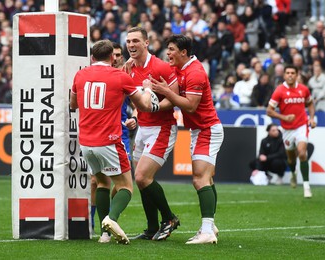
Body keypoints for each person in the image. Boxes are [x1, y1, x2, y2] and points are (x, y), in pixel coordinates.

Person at [70, 39, 154, 244]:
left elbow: (72, 104)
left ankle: (104, 235)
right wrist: (148, 89)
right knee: (126, 187)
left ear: (92, 57)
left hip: (87, 142)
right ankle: (111, 219)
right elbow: (143, 105)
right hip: (109, 140)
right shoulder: (120, 76)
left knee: (101, 183)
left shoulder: (80, 74)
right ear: (111, 57)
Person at [151, 34, 224, 244]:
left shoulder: (196, 72)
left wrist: (165, 91)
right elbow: (158, 69)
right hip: (198, 130)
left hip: (207, 129)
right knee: (207, 179)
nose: (168, 53)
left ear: (184, 52)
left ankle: (208, 231)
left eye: (172, 49)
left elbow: (190, 106)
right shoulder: (179, 69)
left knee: (199, 178)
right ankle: (210, 226)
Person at [125, 27, 180, 241]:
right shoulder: (129, 68)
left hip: (162, 128)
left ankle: (169, 218)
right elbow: (132, 97)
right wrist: (137, 117)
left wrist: (155, 109)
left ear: (146, 43)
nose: (131, 45)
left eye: (136, 41)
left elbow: (174, 96)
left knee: (141, 176)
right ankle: (151, 228)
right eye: (129, 41)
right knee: (141, 180)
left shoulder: (161, 67)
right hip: (143, 128)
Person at [266, 65, 317, 198]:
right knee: (291, 158)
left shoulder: (303, 89)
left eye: (292, 73)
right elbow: (269, 110)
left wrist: (311, 118)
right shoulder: (279, 91)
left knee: (302, 153)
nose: (290, 75)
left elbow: (310, 103)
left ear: (297, 74)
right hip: (287, 129)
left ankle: (306, 187)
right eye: (287, 73)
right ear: (284, 75)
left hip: (301, 126)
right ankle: (293, 173)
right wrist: (284, 117)